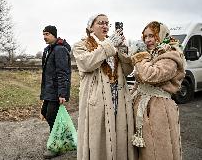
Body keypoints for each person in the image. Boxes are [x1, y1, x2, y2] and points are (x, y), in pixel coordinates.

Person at [72, 14, 137, 160]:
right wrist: (109, 45)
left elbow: (127, 71)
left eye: (107, 23)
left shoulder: (113, 45)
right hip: (97, 98)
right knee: (98, 135)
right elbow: (87, 64)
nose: (105, 26)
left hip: (118, 96)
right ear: (90, 27)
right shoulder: (80, 45)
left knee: (119, 131)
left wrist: (122, 50)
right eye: (100, 23)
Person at [130, 21, 185, 160]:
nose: (148, 40)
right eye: (145, 37)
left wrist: (140, 57)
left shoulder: (172, 55)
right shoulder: (150, 54)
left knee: (158, 149)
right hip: (141, 105)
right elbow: (139, 81)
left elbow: (151, 75)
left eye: (152, 36)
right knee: (142, 151)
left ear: (161, 35)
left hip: (159, 109)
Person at [39, 25, 72, 159]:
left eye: (47, 34)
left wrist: (62, 93)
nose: (44, 37)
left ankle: (56, 146)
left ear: (53, 35)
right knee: (45, 113)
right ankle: (60, 137)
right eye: (43, 34)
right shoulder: (48, 50)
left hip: (57, 91)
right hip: (49, 90)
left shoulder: (59, 50)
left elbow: (63, 73)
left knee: (52, 116)